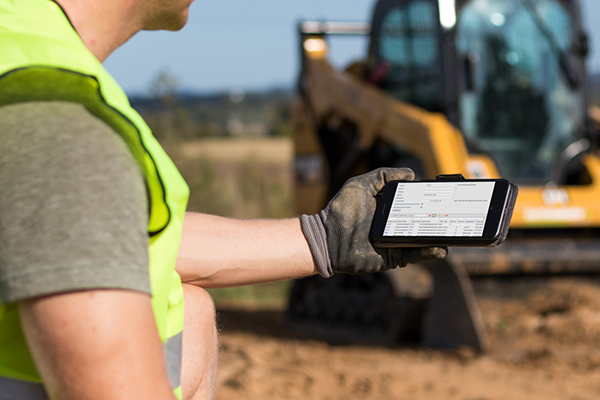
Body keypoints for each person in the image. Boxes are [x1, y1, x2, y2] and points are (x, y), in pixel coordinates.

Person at [0, 0, 447, 399]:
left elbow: (109, 239)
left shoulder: (21, 51)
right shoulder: (59, 123)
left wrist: (328, 237)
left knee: (191, 312)